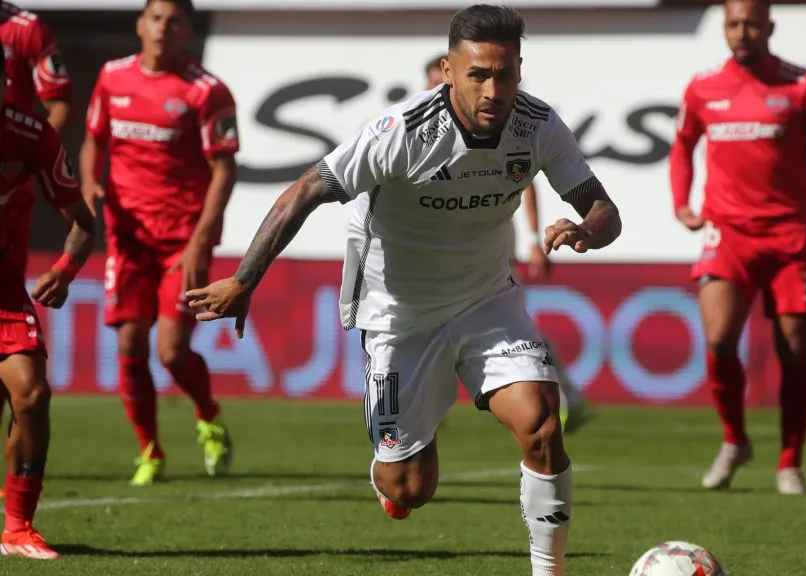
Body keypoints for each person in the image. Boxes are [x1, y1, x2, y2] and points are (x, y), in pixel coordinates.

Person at [188, 6, 620, 575]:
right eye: (478, 74)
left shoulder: (538, 126)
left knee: (542, 422)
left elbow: (603, 209)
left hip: (486, 299)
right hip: (398, 313)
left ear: (520, 69)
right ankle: (390, 473)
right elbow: (304, 191)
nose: (494, 89)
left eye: (506, 74)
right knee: (411, 487)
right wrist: (244, 280)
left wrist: (586, 229)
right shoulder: (401, 132)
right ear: (447, 70)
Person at [669, 0, 806, 495]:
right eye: (732, 23)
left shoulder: (802, 84)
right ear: (724, 28)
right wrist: (681, 203)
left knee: (793, 349)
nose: (741, 32)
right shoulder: (703, 88)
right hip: (727, 232)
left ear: (769, 25)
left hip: (789, 235)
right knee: (719, 337)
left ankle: (790, 461)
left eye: (750, 22)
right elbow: (683, 143)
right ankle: (735, 441)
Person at [78, 0, 239, 486]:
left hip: (182, 242)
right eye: (155, 18)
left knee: (170, 351)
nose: (163, 28)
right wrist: (89, 184)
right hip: (128, 238)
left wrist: (199, 243)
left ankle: (208, 414)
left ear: (187, 29)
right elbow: (93, 140)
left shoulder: (206, 91)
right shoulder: (112, 78)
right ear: (140, 24)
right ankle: (149, 451)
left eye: (174, 21)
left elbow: (224, 169)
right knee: (129, 342)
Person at [423, 54, 595, 433]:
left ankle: (562, 393)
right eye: (436, 85)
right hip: (438, 250)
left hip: (489, 243)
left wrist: (535, 238)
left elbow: (526, 177)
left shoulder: (505, 125)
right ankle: (425, 407)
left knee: (507, 326)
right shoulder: (418, 133)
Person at [0, 60, 96, 558]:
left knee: (32, 395)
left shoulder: (29, 133)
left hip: (6, 297)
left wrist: (64, 268)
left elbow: (83, 221)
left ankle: (17, 527)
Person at [0, 0, 74, 499]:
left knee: (28, 391)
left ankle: (18, 517)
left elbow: (58, 103)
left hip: (12, 180)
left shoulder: (25, 27)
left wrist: (31, 156)